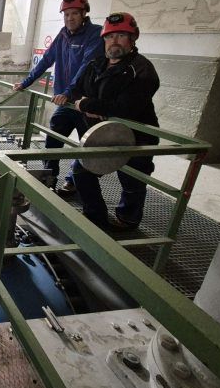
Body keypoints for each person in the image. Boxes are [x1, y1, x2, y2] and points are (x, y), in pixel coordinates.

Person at [69, 12, 160, 230]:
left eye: (121, 36)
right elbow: (75, 90)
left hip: (138, 137)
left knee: (133, 181)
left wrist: (88, 105)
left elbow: (125, 109)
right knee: (81, 172)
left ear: (133, 38)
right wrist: (89, 105)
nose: (114, 42)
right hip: (104, 134)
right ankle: (96, 217)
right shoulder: (96, 64)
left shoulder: (141, 70)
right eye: (110, 37)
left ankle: (128, 220)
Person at [13, 0, 104, 196]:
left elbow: (86, 66)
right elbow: (46, 60)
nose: (70, 18)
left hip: (84, 103)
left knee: (87, 146)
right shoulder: (62, 35)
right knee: (53, 139)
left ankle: (74, 182)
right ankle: (49, 177)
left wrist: (69, 92)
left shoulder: (95, 35)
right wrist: (26, 83)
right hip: (65, 103)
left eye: (74, 13)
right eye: (66, 14)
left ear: (84, 14)